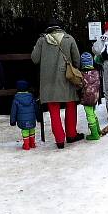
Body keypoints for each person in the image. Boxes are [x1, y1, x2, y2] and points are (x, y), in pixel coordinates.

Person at [31, 19, 82, 149]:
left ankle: (59, 140)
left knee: (54, 109)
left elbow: (35, 59)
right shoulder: (69, 38)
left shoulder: (42, 40)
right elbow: (77, 60)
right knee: (71, 105)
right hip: (67, 77)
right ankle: (71, 135)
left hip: (48, 81)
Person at [10, 80, 38, 150]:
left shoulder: (16, 99)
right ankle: (32, 143)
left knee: (25, 130)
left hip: (22, 120)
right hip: (32, 119)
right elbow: (36, 108)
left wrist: (12, 121)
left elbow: (13, 111)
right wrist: (39, 117)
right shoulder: (31, 98)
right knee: (32, 130)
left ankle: (26, 145)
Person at [79, 53, 102, 141]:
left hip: (87, 98)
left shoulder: (83, 75)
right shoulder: (96, 73)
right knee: (93, 113)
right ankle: (98, 130)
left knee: (89, 115)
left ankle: (95, 134)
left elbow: (80, 85)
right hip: (95, 97)